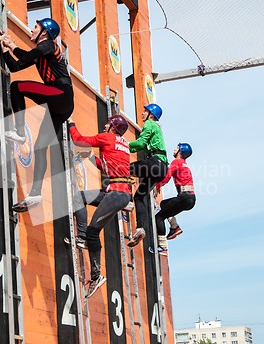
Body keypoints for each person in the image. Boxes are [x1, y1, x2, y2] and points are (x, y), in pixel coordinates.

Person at [0, 18, 74, 212]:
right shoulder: (41, 53)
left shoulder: (48, 45)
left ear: (45, 32)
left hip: (61, 95)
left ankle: (20, 131)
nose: (32, 30)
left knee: (17, 87)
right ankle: (35, 194)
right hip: (61, 105)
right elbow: (16, 66)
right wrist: (6, 50)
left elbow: (25, 56)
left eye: (36, 27)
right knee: (40, 147)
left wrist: (12, 44)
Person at [67, 114, 132, 298]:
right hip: (119, 191)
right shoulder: (124, 144)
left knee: (93, 232)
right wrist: (89, 158)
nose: (105, 125)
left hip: (116, 193)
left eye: (108, 123)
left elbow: (79, 140)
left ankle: (96, 275)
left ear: (113, 127)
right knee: (78, 198)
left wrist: (71, 123)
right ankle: (83, 238)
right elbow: (106, 166)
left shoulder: (107, 137)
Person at [127, 104, 168, 247]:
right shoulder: (157, 128)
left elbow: (140, 143)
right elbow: (144, 146)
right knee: (139, 195)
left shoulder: (150, 124)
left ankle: (123, 197)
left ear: (151, 114)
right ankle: (140, 228)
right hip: (162, 168)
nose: (142, 113)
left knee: (125, 169)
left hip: (155, 163)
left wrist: (123, 145)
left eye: (145, 111)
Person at [153, 143, 196, 252]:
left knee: (159, 217)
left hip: (184, 197)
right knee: (163, 204)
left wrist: (157, 186)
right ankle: (174, 226)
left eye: (177, 148)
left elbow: (167, 176)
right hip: (190, 198)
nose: (174, 149)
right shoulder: (185, 164)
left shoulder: (176, 162)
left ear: (180, 151)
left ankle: (162, 246)